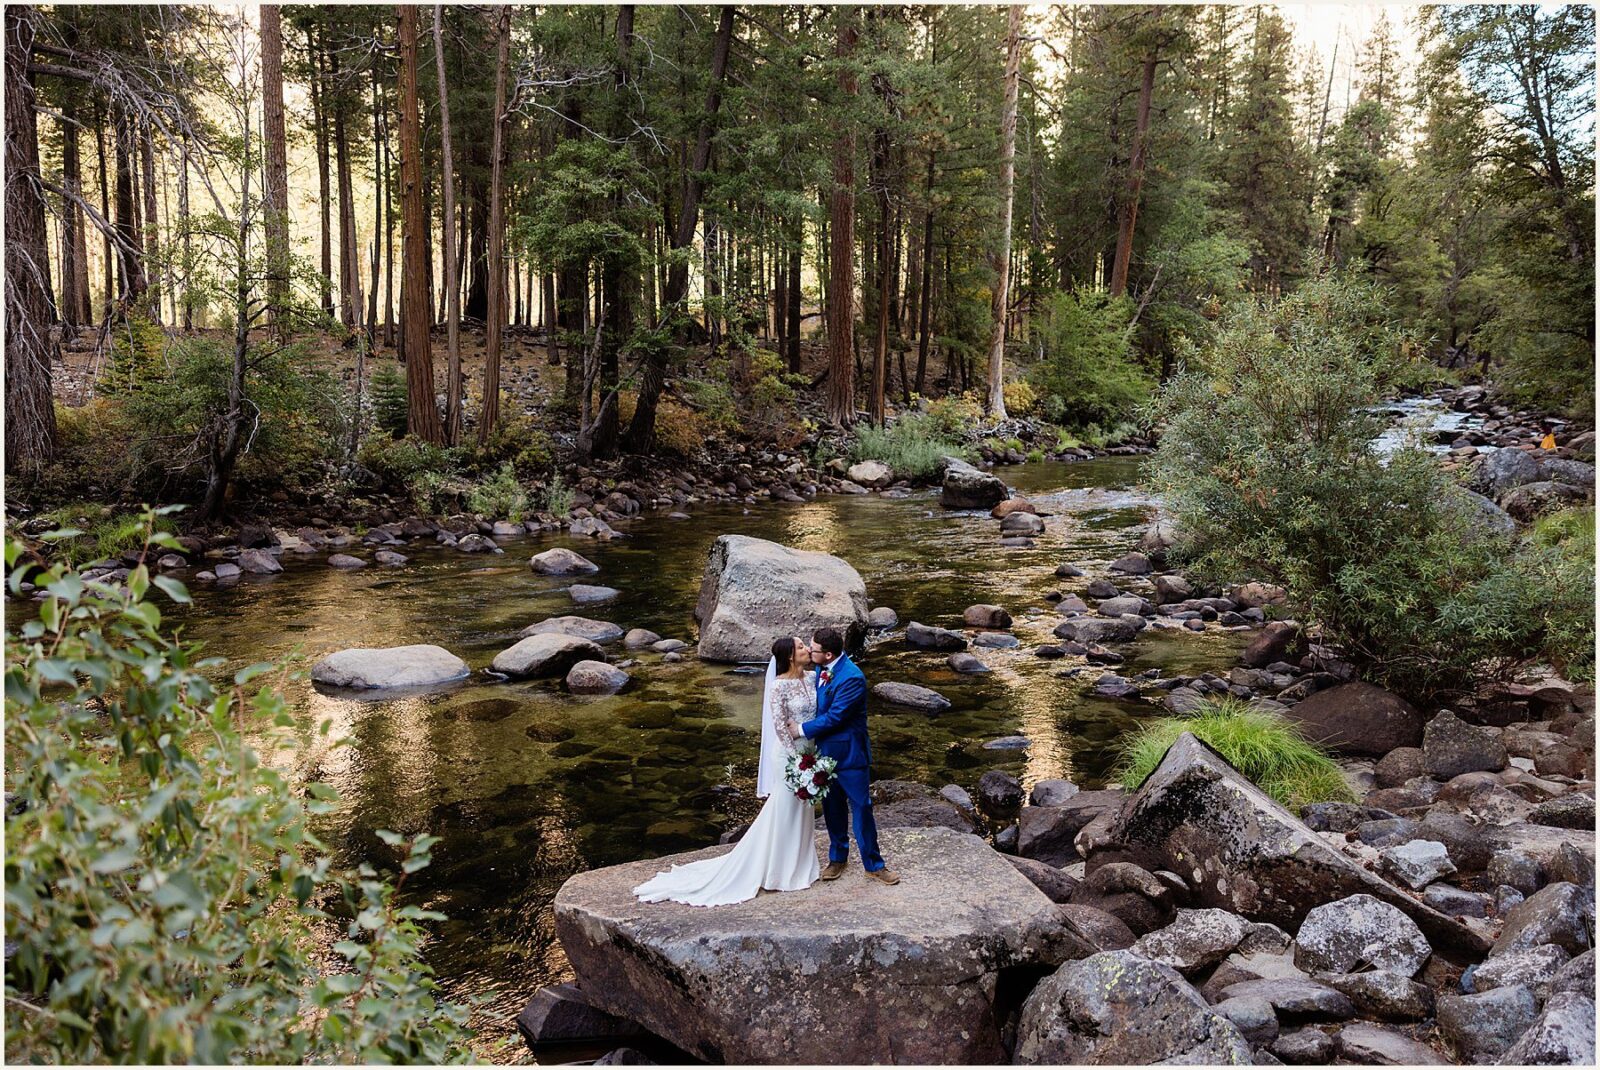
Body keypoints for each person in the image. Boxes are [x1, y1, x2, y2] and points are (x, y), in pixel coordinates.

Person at [632, 636, 820, 906]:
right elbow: (779, 728)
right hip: (790, 756)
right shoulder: (778, 686)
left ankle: (801, 862)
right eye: (802, 647)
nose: (807, 650)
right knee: (786, 806)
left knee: (803, 808)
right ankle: (778, 870)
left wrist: (813, 758)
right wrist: (797, 763)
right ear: (790, 656)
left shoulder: (813, 678)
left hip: (811, 752)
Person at [798, 626, 898, 885]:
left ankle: (874, 865)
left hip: (851, 756)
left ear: (828, 654)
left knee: (862, 808)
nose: (810, 651)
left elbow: (835, 717)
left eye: (814, 649)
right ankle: (838, 858)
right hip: (824, 755)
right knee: (832, 809)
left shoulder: (852, 678)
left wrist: (800, 730)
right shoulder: (822, 668)